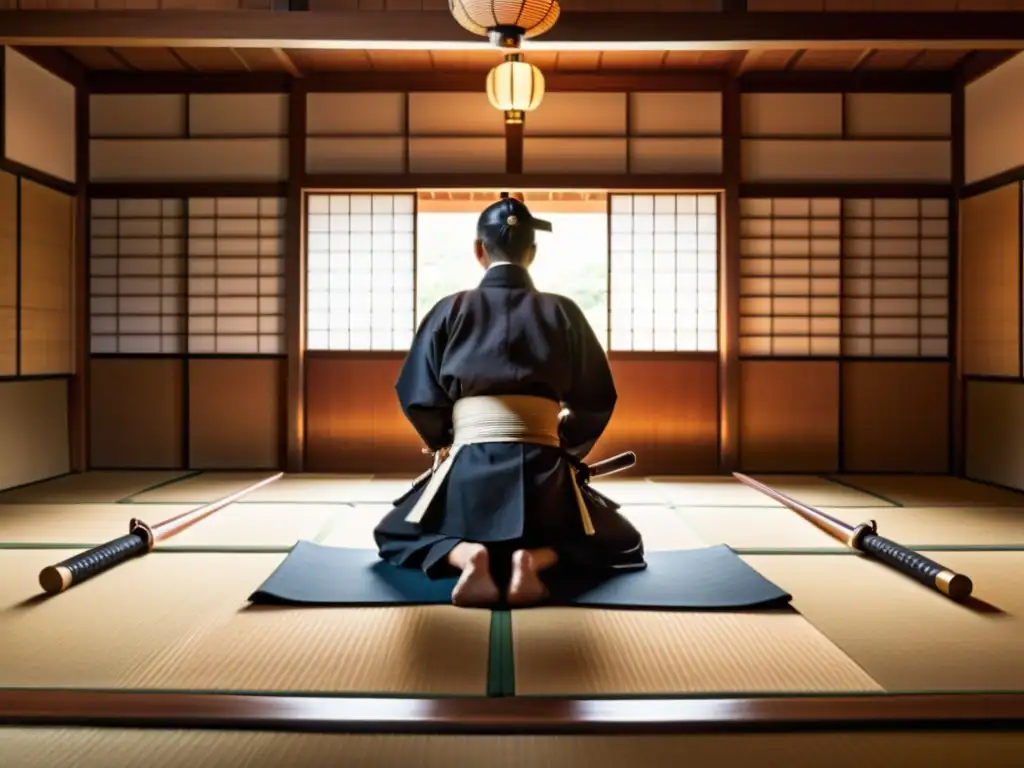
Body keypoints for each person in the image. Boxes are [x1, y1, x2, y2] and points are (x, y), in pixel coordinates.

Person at [373, 194, 645, 607]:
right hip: (544, 473)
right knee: (622, 539)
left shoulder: (451, 309)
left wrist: (448, 440)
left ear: (479, 250)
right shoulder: (564, 311)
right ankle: (533, 559)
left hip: (467, 470)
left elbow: (416, 395)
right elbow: (596, 399)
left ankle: (468, 556)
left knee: (395, 531)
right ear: (532, 254)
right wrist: (563, 445)